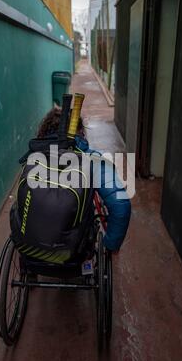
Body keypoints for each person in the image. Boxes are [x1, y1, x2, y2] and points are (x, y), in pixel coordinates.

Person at [36, 106, 131, 253]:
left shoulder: (34, 158)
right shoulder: (93, 161)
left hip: (34, 241)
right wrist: (110, 245)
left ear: (45, 131)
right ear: (80, 131)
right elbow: (121, 205)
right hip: (74, 248)